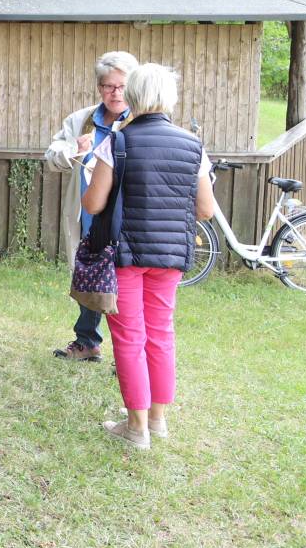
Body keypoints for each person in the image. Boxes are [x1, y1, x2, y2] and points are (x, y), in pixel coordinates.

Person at [82, 63, 215, 449]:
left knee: (128, 338)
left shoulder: (118, 142)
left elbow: (93, 204)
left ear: (134, 94)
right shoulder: (193, 145)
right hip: (171, 256)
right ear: (169, 96)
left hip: (125, 254)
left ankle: (136, 428)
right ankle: (157, 420)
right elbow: (205, 209)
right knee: (161, 335)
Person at [42, 50, 139, 362]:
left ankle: (131, 354)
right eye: (108, 86)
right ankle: (87, 342)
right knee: (87, 276)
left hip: (127, 219)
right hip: (87, 216)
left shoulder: (141, 122)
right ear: (99, 87)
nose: (115, 93)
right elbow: (52, 157)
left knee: (126, 286)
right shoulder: (81, 120)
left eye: (122, 86)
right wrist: (73, 148)